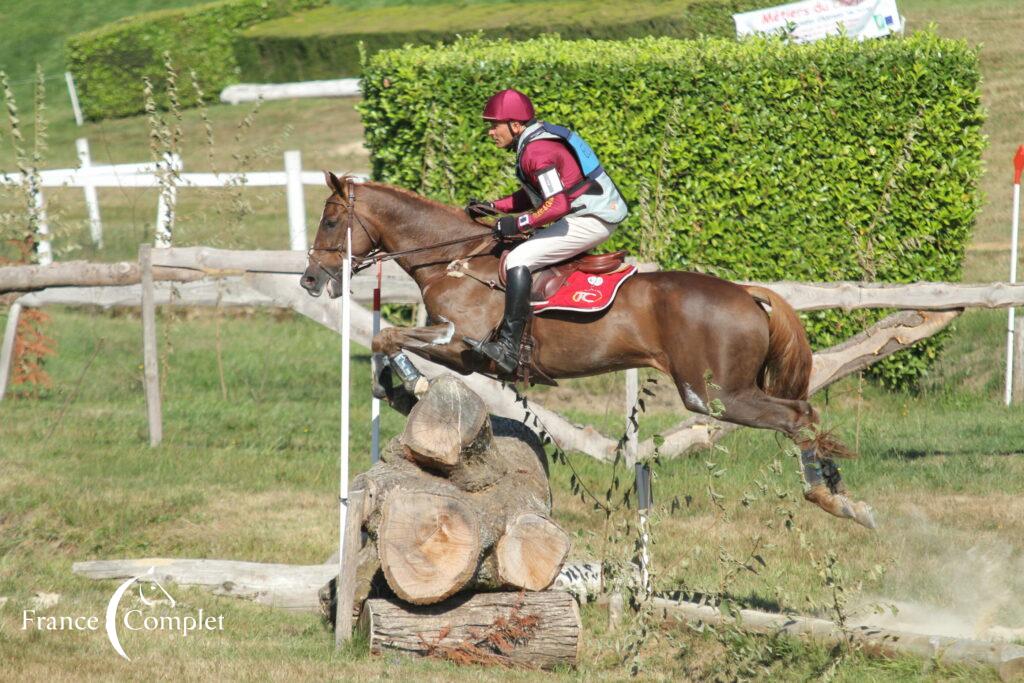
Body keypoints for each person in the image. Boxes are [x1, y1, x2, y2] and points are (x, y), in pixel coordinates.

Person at [464, 88, 629, 374]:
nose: (491, 132)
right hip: (590, 213)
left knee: (517, 260)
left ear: (515, 125)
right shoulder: (534, 141)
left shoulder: (536, 150)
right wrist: (494, 206)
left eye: (494, 125)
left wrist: (518, 223)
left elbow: (557, 204)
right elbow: (536, 195)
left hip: (590, 218)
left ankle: (508, 348)